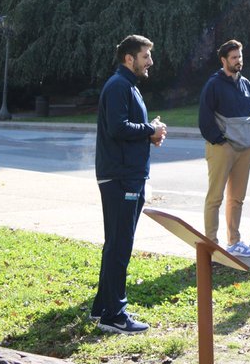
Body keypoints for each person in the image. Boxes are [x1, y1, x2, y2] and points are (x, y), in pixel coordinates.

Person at [92, 34, 166, 334]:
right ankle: (115, 315)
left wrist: (150, 133)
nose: (150, 62)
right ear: (129, 58)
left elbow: (126, 128)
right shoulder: (119, 86)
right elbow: (118, 127)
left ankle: (102, 309)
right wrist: (151, 129)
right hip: (121, 178)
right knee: (120, 246)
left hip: (126, 175)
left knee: (116, 244)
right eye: (145, 56)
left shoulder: (127, 86)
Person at [197, 40, 250, 258]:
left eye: (240, 57)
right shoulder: (213, 84)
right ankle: (212, 245)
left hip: (245, 147)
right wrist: (219, 140)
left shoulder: (246, 84)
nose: (238, 61)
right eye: (234, 57)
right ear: (223, 60)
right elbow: (204, 118)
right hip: (222, 147)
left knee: (237, 198)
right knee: (215, 197)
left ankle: (234, 242)